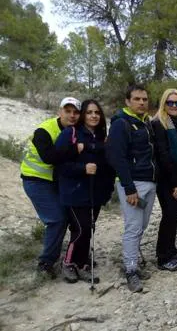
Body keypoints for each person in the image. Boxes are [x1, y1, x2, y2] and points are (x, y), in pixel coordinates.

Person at [21, 97, 83, 278]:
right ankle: (46, 263)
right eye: (68, 111)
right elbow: (50, 157)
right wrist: (75, 150)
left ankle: (74, 256)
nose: (72, 115)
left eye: (75, 112)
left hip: (56, 181)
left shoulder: (73, 130)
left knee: (72, 217)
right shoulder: (44, 130)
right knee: (56, 219)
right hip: (36, 180)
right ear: (60, 112)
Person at [56, 99, 115, 283]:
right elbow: (60, 164)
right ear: (83, 115)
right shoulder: (71, 133)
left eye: (97, 112)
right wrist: (83, 169)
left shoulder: (101, 137)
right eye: (89, 112)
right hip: (74, 191)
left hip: (94, 192)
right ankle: (68, 263)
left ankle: (81, 264)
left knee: (88, 228)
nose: (93, 116)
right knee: (81, 229)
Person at [106, 84, 158, 293]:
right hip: (133, 183)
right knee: (133, 227)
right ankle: (130, 270)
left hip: (149, 181)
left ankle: (134, 261)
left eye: (144, 99)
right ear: (128, 101)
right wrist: (129, 188)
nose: (142, 102)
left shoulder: (145, 123)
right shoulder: (121, 124)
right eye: (137, 99)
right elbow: (116, 157)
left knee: (142, 225)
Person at [152, 89, 177, 272]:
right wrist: (175, 183)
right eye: (170, 103)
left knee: (174, 214)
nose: (174, 106)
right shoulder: (159, 124)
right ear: (164, 104)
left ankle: (171, 248)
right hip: (167, 179)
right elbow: (164, 155)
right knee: (168, 215)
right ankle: (162, 257)